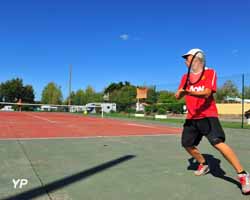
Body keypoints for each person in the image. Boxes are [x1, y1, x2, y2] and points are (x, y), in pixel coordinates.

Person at [175, 48, 250, 194]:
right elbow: (178, 95)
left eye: (187, 57)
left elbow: (207, 92)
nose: (185, 60)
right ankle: (204, 164)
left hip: (208, 115)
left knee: (217, 143)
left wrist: (189, 91)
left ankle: (243, 175)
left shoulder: (210, 73)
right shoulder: (185, 77)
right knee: (187, 144)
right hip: (191, 118)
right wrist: (179, 93)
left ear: (198, 58)